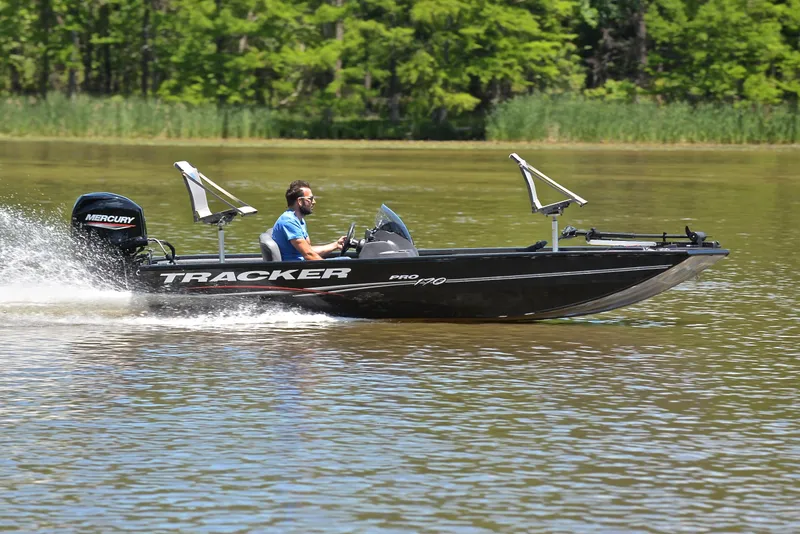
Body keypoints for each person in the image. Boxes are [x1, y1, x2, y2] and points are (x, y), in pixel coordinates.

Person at [271, 180, 345, 261]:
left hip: (302, 264)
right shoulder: (289, 221)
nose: (314, 202)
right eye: (310, 199)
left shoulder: (299, 220)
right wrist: (331, 267)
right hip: (294, 268)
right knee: (347, 261)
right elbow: (308, 255)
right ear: (299, 201)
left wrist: (335, 245)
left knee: (346, 260)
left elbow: (308, 250)